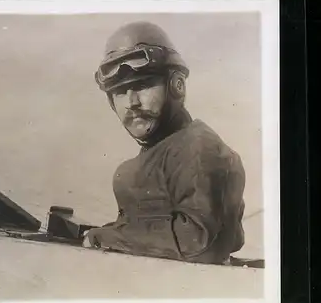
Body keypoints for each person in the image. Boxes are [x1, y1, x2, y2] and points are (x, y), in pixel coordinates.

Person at [83, 21, 246, 265]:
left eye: (143, 85)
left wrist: (105, 237)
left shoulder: (198, 148)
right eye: (120, 92)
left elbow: (196, 242)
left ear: (175, 86)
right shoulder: (147, 160)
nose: (131, 102)